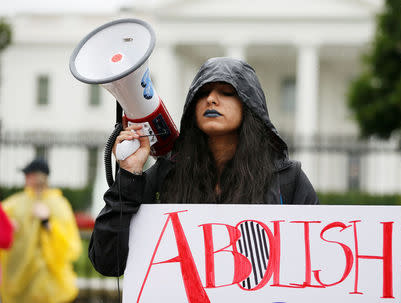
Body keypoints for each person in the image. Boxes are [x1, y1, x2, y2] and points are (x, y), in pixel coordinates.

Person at [89, 57, 319, 276]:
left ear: (250, 105)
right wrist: (129, 175)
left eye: (227, 92)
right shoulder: (166, 174)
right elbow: (108, 261)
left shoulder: (288, 179)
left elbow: (314, 262)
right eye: (203, 93)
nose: (211, 99)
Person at [0, 158, 82, 303]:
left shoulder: (58, 205)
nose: (26, 179)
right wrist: (7, 225)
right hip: (22, 285)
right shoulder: (16, 203)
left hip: (53, 288)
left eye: (29, 175)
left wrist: (47, 222)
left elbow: (70, 245)